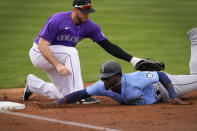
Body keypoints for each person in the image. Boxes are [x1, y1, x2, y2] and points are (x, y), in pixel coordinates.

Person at [34, 27, 197, 107]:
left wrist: (174, 95)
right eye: (103, 78)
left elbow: (160, 75)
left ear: (117, 77)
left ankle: (195, 38)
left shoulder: (135, 79)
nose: (104, 81)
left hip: (164, 88)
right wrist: (56, 103)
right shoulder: (103, 86)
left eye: (107, 78)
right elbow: (80, 94)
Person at [23, 0, 146, 104]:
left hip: (59, 57)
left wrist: (133, 60)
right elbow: (42, 45)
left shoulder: (90, 26)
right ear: (75, 9)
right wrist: (57, 65)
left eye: (88, 12)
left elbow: (108, 46)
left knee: (66, 94)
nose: (87, 15)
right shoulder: (58, 19)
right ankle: (81, 94)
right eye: (84, 11)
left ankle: (33, 84)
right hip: (39, 55)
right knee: (71, 52)